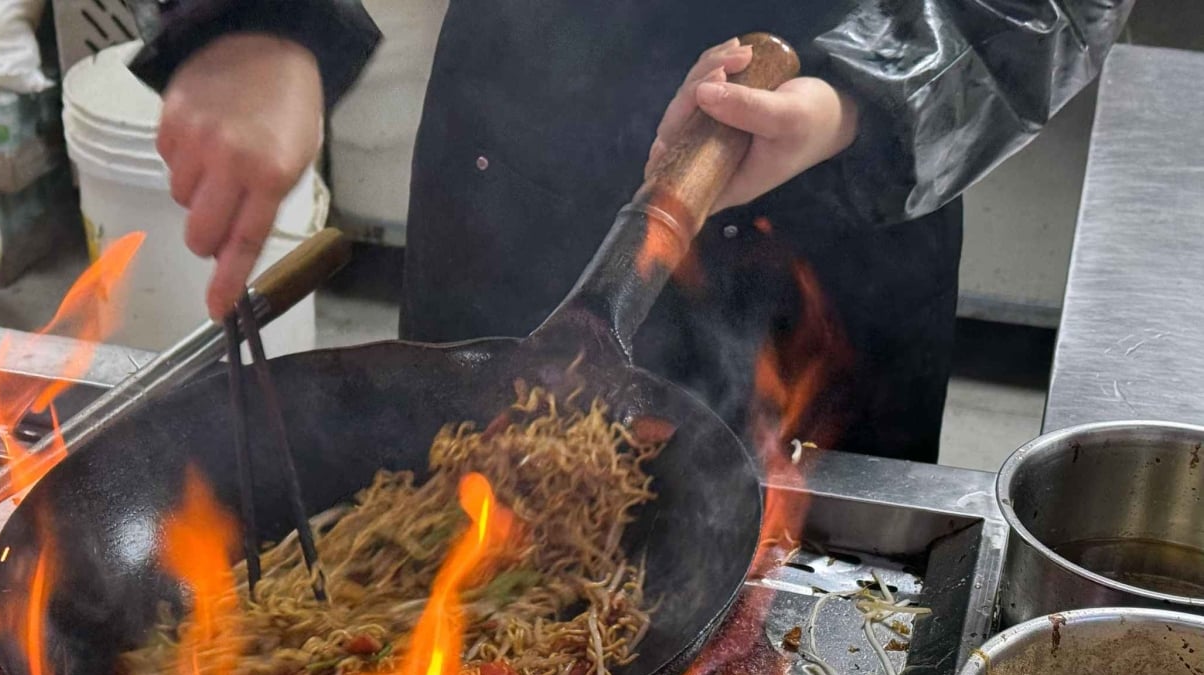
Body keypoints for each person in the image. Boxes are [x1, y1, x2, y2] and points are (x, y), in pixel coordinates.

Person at [124, 0, 1131, 462]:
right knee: (455, 508)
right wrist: (252, 19)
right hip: (516, 158)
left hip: (846, 195)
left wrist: (857, 100)